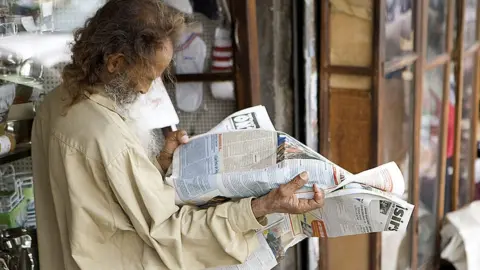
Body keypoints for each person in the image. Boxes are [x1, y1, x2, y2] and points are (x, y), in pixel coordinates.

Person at [31, 0, 325, 269]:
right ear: (115, 63)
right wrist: (259, 207)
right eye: (147, 78)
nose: (146, 90)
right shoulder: (107, 136)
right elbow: (170, 233)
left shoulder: (57, 102)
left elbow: (101, 198)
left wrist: (157, 165)